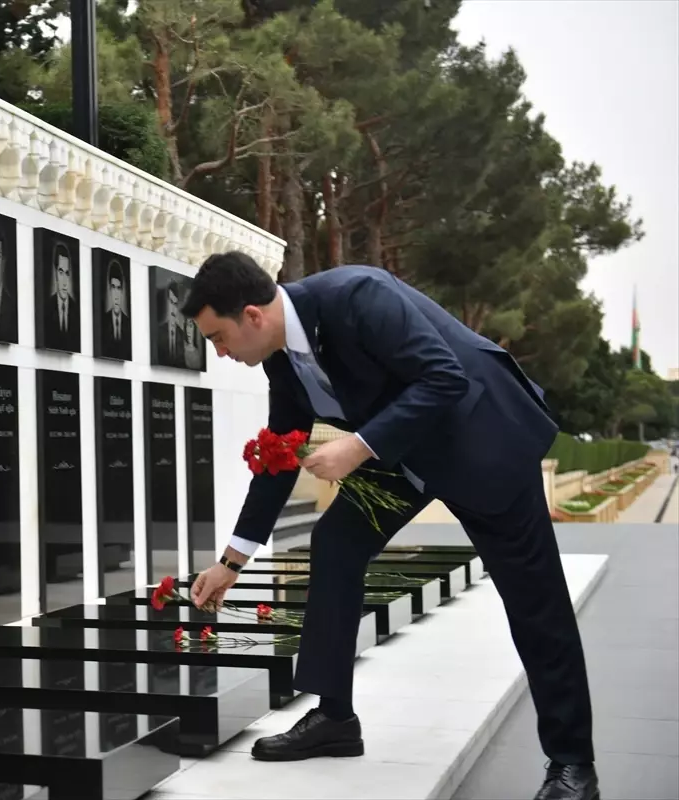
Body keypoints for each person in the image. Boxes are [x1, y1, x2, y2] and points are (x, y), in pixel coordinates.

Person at [183, 252, 597, 800]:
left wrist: (356, 446)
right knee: (335, 541)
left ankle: (573, 765)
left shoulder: (358, 296)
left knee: (534, 601)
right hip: (405, 457)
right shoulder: (281, 357)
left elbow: (444, 377)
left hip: (480, 438)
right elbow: (280, 452)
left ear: (253, 316)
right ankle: (334, 719)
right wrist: (231, 561)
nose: (220, 352)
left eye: (218, 337)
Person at [99, 259, 131, 360]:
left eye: (119, 288)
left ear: (122, 291)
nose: (116, 295)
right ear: (109, 290)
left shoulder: (128, 324)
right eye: (113, 287)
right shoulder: (103, 322)